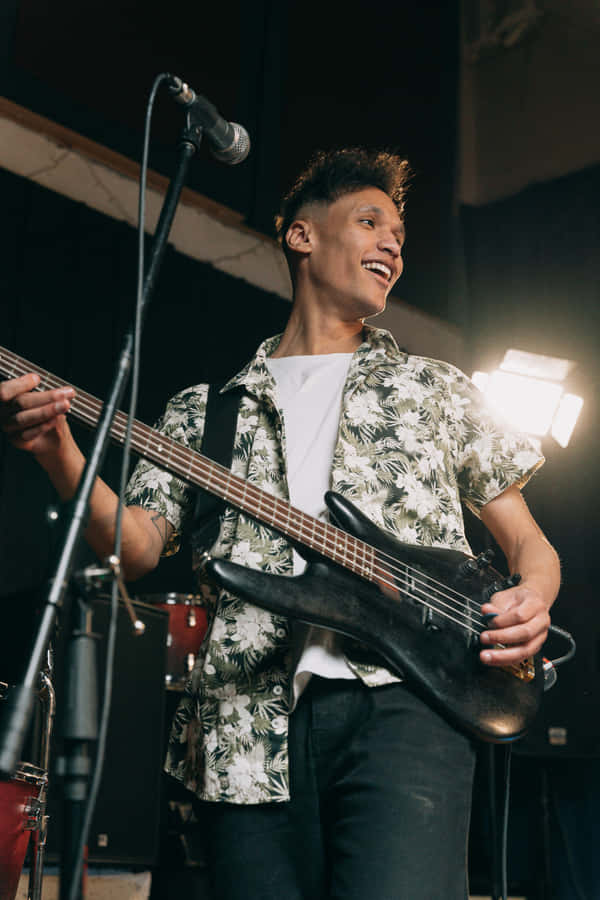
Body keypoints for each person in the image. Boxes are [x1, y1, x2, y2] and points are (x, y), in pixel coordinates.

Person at [0, 148, 560, 899]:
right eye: (370, 222)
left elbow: (528, 541)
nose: (393, 243)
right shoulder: (205, 411)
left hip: (408, 702)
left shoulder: (434, 389)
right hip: (242, 728)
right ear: (302, 236)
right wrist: (58, 450)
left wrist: (534, 595)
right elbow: (132, 547)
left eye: (399, 232)